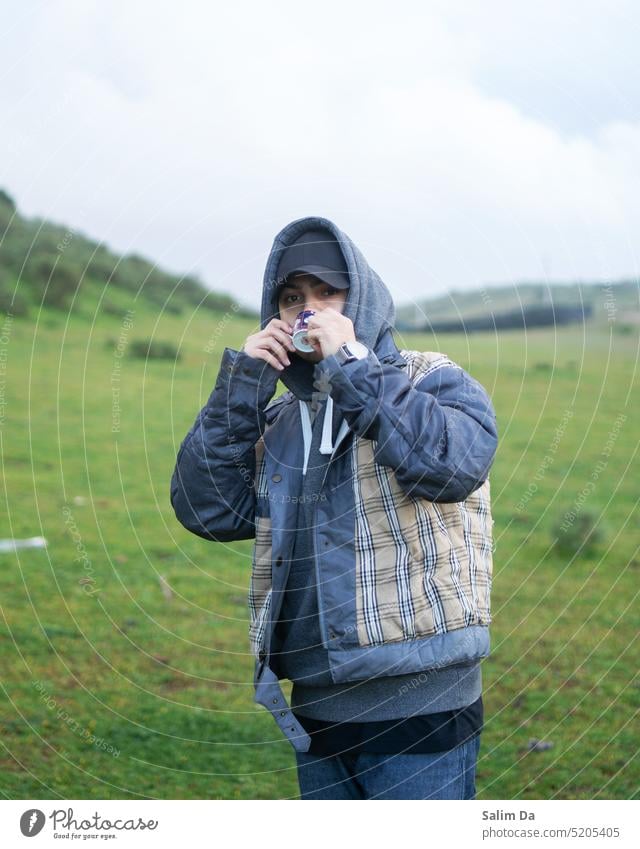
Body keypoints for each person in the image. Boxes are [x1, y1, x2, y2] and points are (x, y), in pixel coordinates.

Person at [170, 218, 498, 800]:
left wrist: (350, 363)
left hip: (422, 707)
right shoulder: (282, 419)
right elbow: (208, 509)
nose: (308, 312)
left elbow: (451, 465)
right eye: (292, 299)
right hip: (317, 707)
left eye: (327, 293)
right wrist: (242, 386)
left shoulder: (432, 379)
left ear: (361, 299)